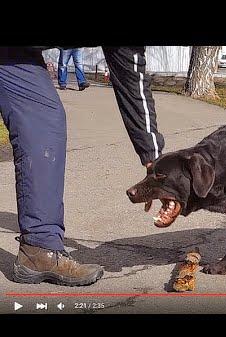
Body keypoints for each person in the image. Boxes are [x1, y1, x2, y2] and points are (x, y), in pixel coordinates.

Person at [0, 46, 164, 286]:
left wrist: (156, 162)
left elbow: (132, 80)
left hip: (14, 56)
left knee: (44, 123)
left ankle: (39, 248)